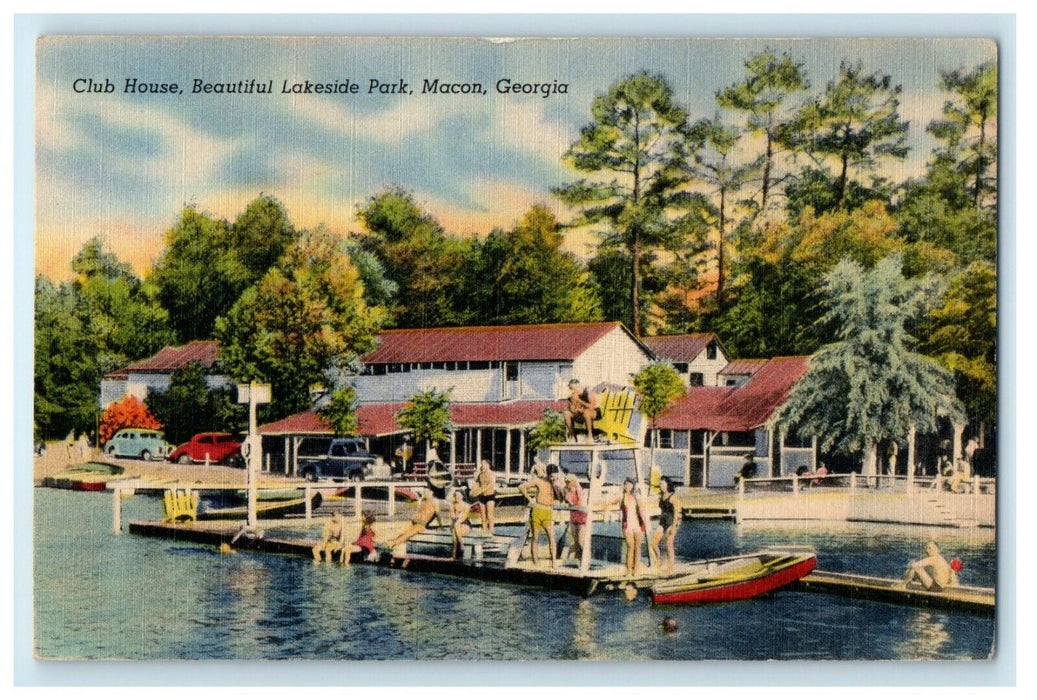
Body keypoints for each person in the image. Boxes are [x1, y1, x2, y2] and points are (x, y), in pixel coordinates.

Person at [519, 461, 558, 568]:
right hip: (538, 509)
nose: (553, 478)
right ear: (548, 474)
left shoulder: (555, 483)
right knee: (535, 537)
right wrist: (530, 499)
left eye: (555, 477)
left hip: (548, 511)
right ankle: (536, 562)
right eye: (552, 477)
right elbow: (522, 487)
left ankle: (554, 561)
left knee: (552, 537)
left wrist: (556, 483)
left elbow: (560, 495)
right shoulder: (539, 481)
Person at [607, 477, 647, 578]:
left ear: (633, 486)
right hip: (627, 524)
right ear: (624, 485)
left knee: (637, 548)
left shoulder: (637, 496)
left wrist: (646, 523)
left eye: (630, 484)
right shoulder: (622, 496)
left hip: (638, 524)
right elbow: (609, 501)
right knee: (630, 546)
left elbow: (642, 510)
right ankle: (629, 571)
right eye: (626, 484)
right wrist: (606, 510)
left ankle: (636, 570)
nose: (628, 486)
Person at [650, 476, 681, 573]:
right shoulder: (661, 496)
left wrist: (674, 527)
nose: (661, 486)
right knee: (653, 543)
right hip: (663, 522)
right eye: (660, 484)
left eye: (663, 484)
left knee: (669, 545)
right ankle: (659, 561)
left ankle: (670, 567)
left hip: (671, 523)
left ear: (667, 484)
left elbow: (677, 513)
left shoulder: (673, 497)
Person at [562, 472, 588, 562]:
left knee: (581, 541)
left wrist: (574, 490)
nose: (568, 484)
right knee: (575, 540)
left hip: (581, 515)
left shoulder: (578, 489)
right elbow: (566, 500)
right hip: (573, 515)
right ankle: (577, 559)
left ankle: (583, 559)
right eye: (567, 482)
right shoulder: (567, 489)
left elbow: (580, 501)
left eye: (569, 482)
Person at [564, 378, 597, 443]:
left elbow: (592, 407)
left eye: (575, 388)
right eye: (572, 389)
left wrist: (579, 401)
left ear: (579, 386)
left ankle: (590, 436)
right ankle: (572, 436)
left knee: (586, 412)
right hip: (580, 415)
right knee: (567, 413)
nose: (574, 391)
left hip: (593, 413)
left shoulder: (587, 392)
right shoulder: (572, 397)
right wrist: (575, 410)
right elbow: (572, 409)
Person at [468, 459, 497, 534]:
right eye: (481, 464)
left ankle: (491, 531)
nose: (482, 465)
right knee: (483, 516)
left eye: (483, 464)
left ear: (488, 465)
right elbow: (477, 484)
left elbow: (491, 484)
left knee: (490, 515)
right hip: (482, 497)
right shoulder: (480, 474)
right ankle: (484, 530)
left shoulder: (492, 474)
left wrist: (482, 490)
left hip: (490, 495)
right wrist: (473, 491)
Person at [449, 489, 472, 560]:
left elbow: (463, 518)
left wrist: (457, 518)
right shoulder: (453, 505)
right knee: (455, 535)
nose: (457, 497)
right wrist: (456, 517)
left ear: (462, 496)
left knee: (456, 526)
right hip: (456, 525)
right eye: (456, 495)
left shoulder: (467, 505)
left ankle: (456, 554)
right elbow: (452, 516)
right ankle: (456, 555)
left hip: (465, 525)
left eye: (459, 495)